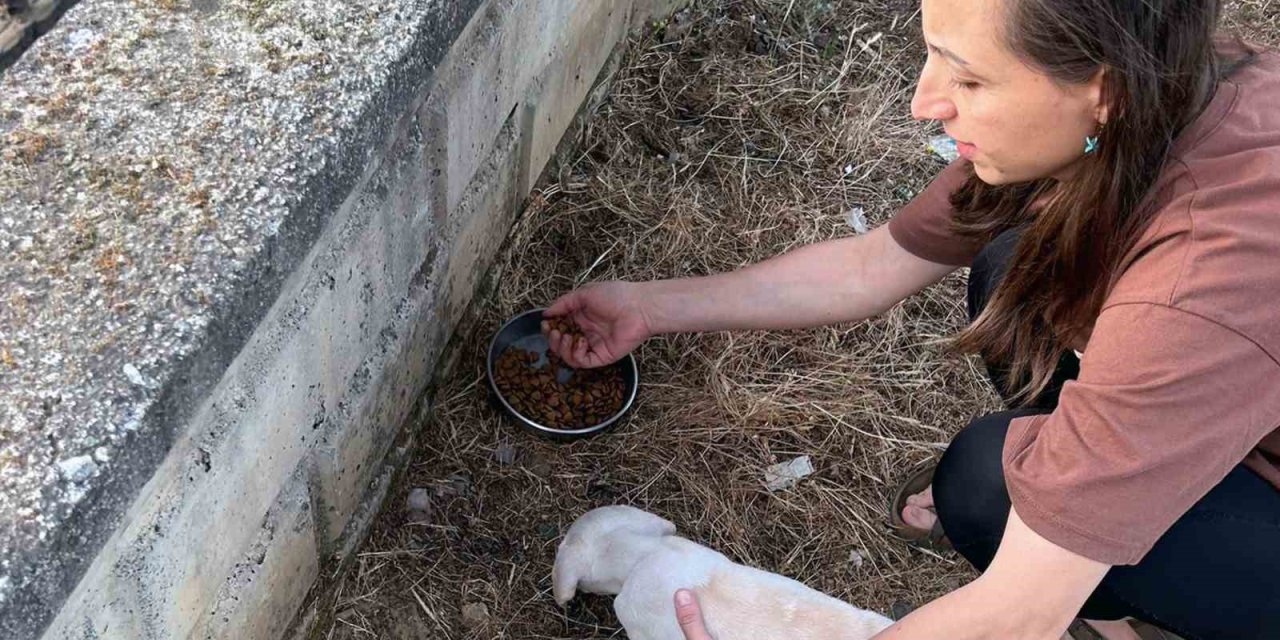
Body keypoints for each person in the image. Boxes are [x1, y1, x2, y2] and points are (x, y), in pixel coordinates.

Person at [542, 0, 1280, 637]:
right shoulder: (1150, 89)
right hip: (1222, 396)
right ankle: (1108, 527)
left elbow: (1014, 617)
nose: (924, 102)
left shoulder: (1201, 281)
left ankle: (1129, 588)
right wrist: (647, 304)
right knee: (1016, 267)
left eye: (969, 78)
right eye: (933, 55)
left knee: (985, 488)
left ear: (1102, 91)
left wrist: (1048, 565)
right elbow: (874, 265)